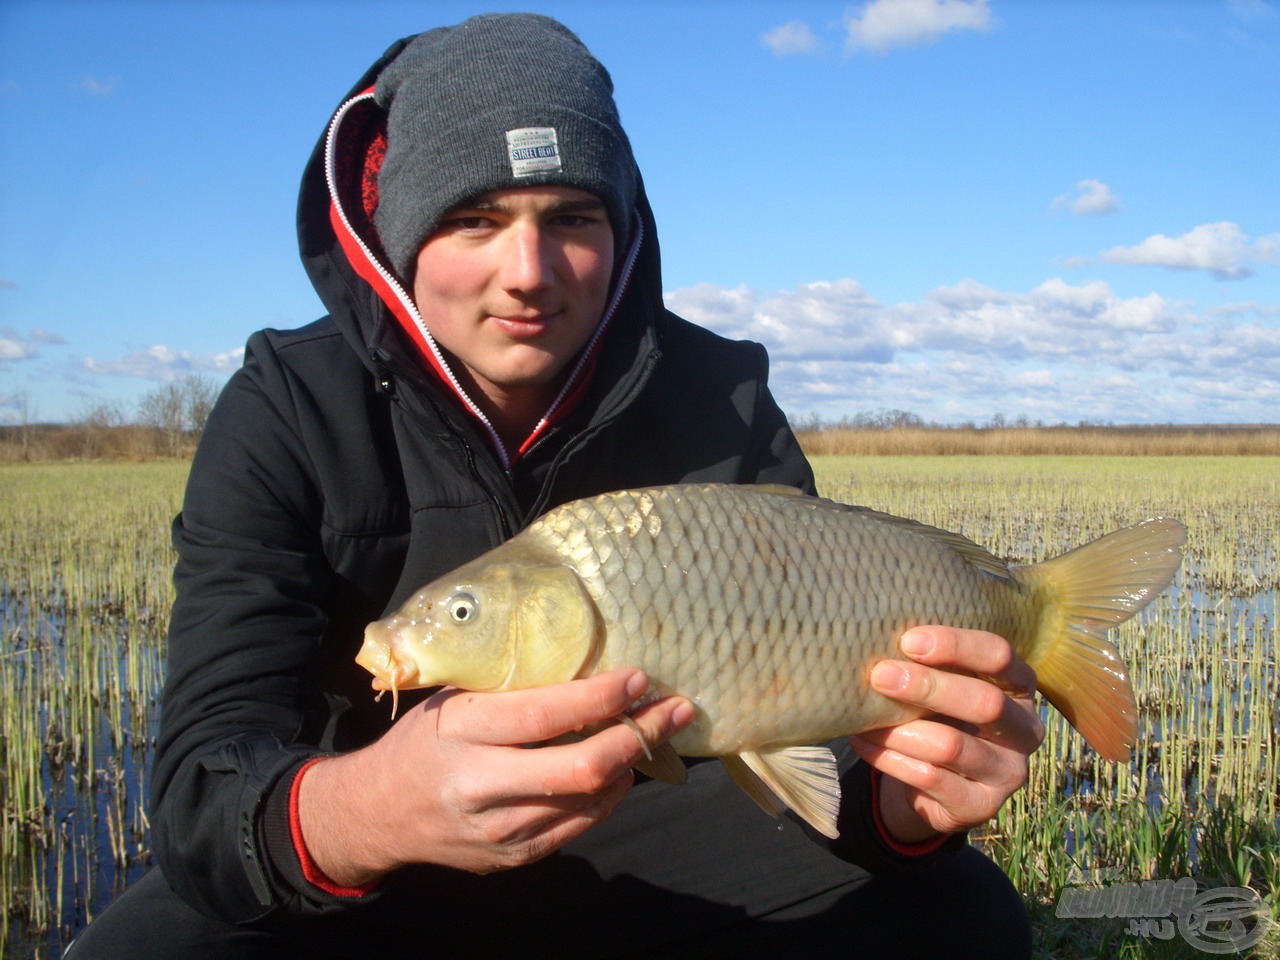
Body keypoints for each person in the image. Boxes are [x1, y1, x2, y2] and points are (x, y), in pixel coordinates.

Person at [67, 14, 1041, 959]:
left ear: (620, 230)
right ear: (399, 237)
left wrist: (900, 806)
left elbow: (801, 719)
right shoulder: (284, 406)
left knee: (960, 918)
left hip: (657, 826)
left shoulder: (723, 397)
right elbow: (205, 784)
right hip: (379, 863)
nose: (526, 272)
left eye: (570, 217)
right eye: (472, 219)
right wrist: (359, 816)